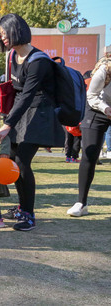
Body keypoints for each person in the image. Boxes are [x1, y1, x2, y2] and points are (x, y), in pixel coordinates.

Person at [0, 13, 64, 231]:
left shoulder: (39, 61)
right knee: (13, 161)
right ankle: (22, 207)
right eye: (0, 34)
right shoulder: (13, 56)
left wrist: (7, 125)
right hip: (19, 113)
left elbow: (28, 95)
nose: (2, 38)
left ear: (17, 30)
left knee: (22, 162)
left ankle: (29, 215)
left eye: (5, 33)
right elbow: (12, 89)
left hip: (39, 114)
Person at [68, 57, 111, 216]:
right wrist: (106, 108)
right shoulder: (105, 71)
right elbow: (91, 95)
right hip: (97, 109)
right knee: (90, 154)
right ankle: (81, 203)